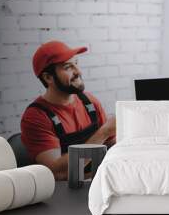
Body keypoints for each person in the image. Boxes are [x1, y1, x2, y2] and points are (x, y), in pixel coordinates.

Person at [21, 40, 116, 180]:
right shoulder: (36, 117)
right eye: (68, 67)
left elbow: (111, 146)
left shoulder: (90, 103)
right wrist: (104, 132)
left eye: (76, 63)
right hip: (65, 195)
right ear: (48, 78)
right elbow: (57, 173)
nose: (78, 72)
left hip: (96, 185)